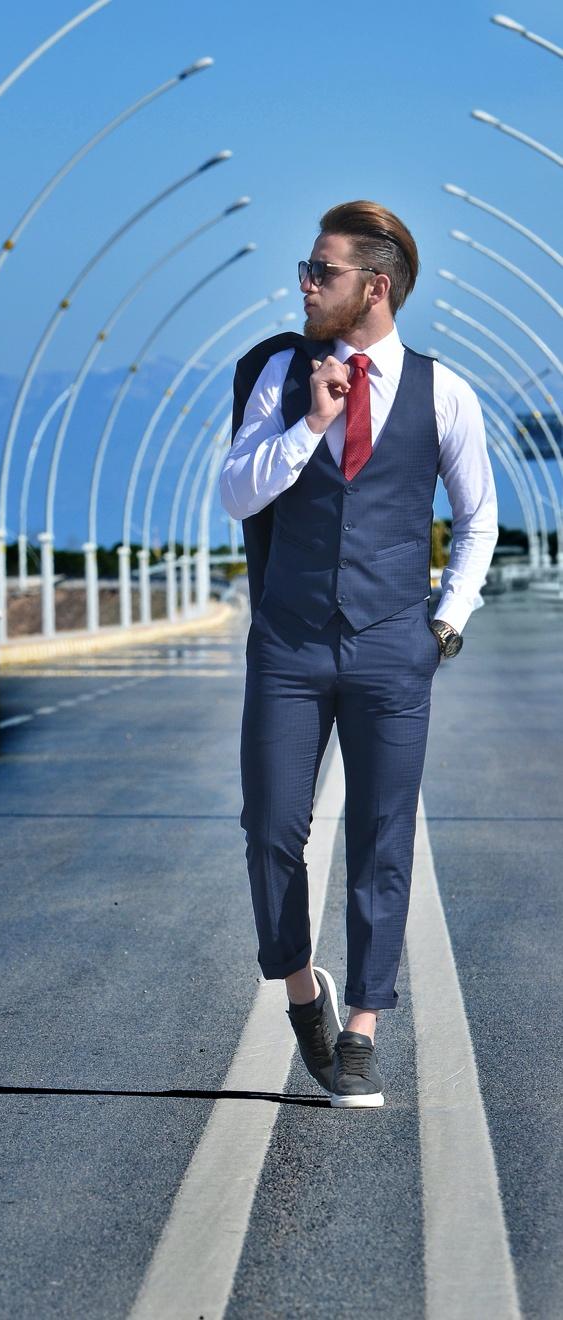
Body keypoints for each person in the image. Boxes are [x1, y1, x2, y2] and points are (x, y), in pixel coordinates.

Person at [219, 200, 498, 1108]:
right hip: (290, 644)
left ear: (373, 287)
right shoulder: (275, 372)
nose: (303, 283)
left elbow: (477, 517)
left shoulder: (441, 390)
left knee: (382, 838)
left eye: (320, 271)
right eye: (307, 267)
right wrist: (306, 424)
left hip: (390, 647)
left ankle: (365, 1024)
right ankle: (302, 986)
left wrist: (444, 621)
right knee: (270, 832)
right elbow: (236, 495)